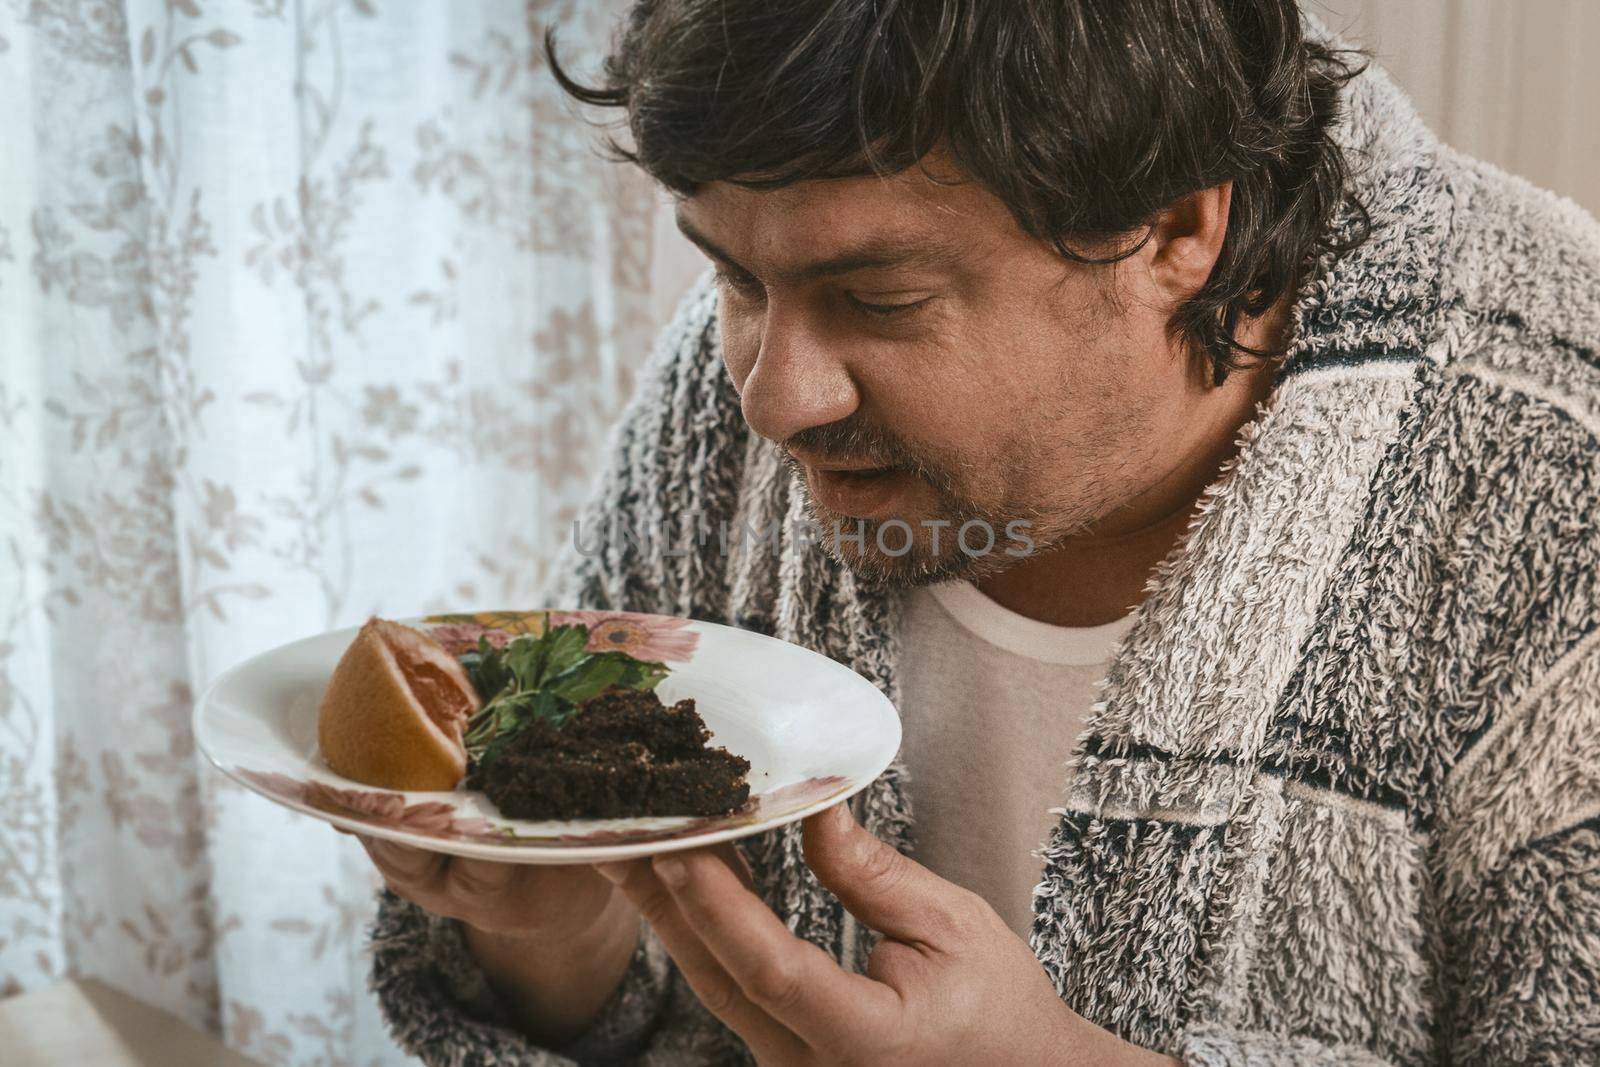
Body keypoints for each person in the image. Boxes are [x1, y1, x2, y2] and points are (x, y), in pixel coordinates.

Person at [357, 3, 1600, 1064]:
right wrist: (559, 931)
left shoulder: (1552, 469)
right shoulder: (751, 365)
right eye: (732, 277)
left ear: (1173, 227)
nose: (771, 396)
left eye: (880, 299)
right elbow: (624, 1002)